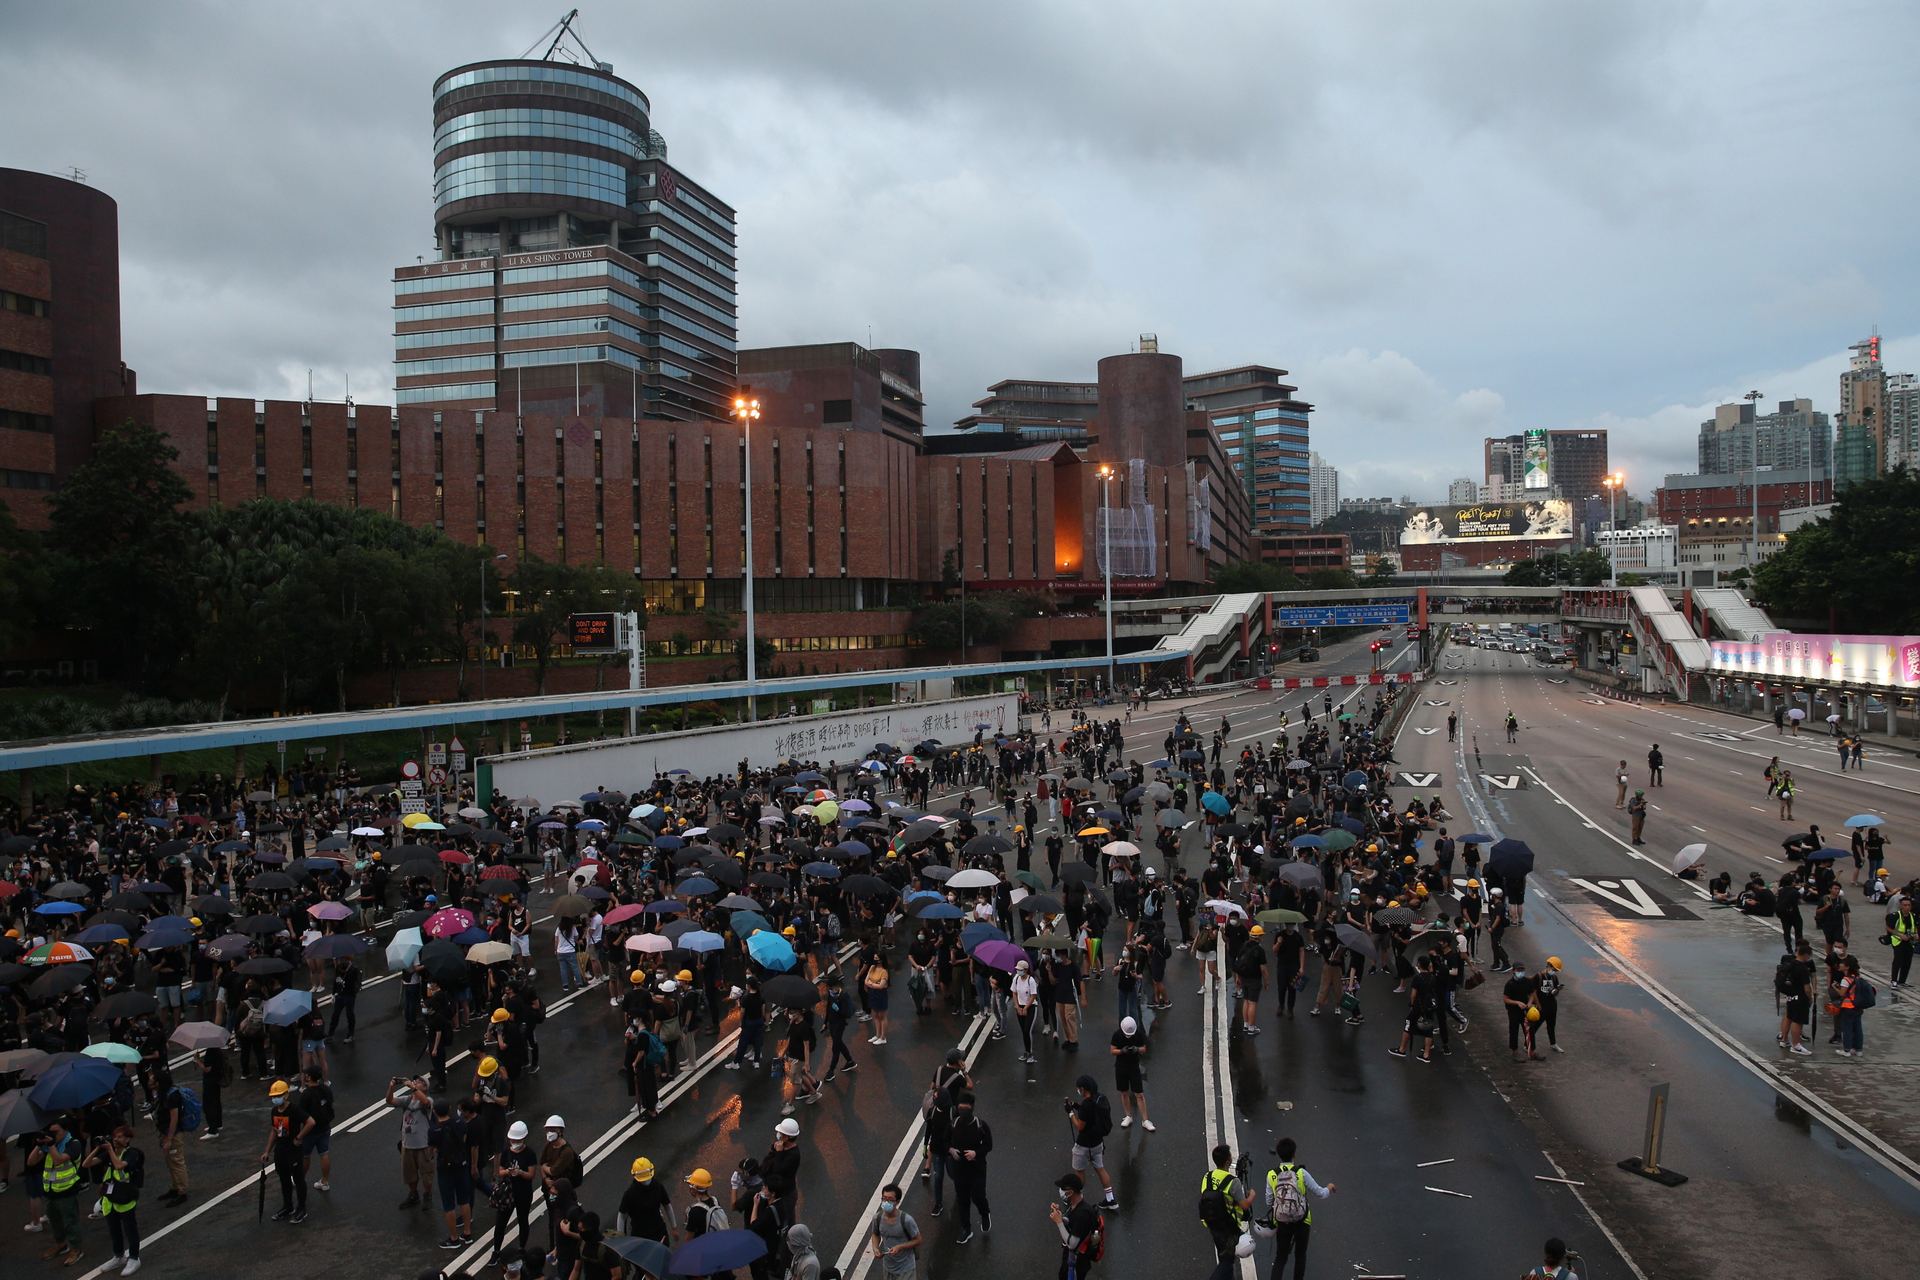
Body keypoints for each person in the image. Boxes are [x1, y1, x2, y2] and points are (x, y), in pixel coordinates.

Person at [1265, 1136, 1334, 1280]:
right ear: (1294, 1154)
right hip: (1302, 1221)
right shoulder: (1301, 1173)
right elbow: (1320, 1193)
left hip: (1282, 1221)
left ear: (1278, 1154)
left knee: (1281, 1257)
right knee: (1300, 1255)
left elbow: (1269, 1201)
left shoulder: (1272, 1174)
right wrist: (1329, 1187)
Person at [87, 1123, 144, 1276]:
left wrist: (111, 1150)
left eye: (120, 1137)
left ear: (128, 1139)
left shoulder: (132, 1153)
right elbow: (86, 1164)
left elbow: (119, 1166)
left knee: (130, 1229)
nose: (116, 1139)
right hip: (110, 1198)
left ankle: (134, 1258)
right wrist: (98, 1148)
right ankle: (118, 1256)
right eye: (115, 1137)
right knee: (114, 1230)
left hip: (126, 1197)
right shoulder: (109, 1152)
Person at [31, 1115, 86, 1266]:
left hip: (67, 1190)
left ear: (65, 1130)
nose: (53, 1135)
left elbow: (59, 1159)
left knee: (70, 1221)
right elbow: (31, 1161)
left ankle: (76, 1249)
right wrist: (38, 1144)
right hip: (51, 1191)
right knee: (55, 1221)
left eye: (56, 1132)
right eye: (51, 1132)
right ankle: (61, 1244)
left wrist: (51, 1145)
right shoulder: (50, 1145)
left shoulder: (73, 1144)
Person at [945, 1091, 993, 1243]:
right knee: (962, 1200)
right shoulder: (953, 1125)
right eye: (961, 1108)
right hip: (959, 1169)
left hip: (977, 1169)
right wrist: (951, 1150)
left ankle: (984, 1213)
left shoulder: (981, 1125)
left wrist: (975, 1153)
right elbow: (943, 1142)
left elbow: (988, 1145)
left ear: (972, 1108)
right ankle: (966, 1228)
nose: (963, 1111)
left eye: (966, 1108)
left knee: (978, 1196)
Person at [1199, 1143, 1252, 1280]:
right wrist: (1252, 1195)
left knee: (1225, 1256)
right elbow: (1244, 1205)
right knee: (1227, 1262)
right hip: (1228, 1226)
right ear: (1228, 1161)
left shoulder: (1207, 1176)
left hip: (1211, 1222)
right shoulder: (1233, 1182)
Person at [1066, 1075, 1119, 1209]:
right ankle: (1110, 1199)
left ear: (1083, 1089)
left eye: (1079, 1089)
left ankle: (1078, 1200)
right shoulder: (1100, 1098)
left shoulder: (1086, 1105)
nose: (1078, 1091)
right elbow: (1091, 1114)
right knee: (1100, 1169)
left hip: (1084, 1145)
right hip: (1098, 1143)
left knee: (1079, 1171)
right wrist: (1077, 1106)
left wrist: (1071, 1114)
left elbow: (1080, 1126)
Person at [260, 1078, 308, 1223]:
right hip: (280, 1151)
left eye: (278, 1096)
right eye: (273, 1097)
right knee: (284, 1179)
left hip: (293, 1151)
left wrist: (299, 1137)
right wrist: (267, 1151)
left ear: (286, 1095)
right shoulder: (275, 1111)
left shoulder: (294, 1110)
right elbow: (275, 1131)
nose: (275, 1099)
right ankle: (288, 1206)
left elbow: (310, 1122)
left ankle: (302, 1208)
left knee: (298, 1180)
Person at [386, 1074, 435, 1211]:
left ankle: (427, 1196)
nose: (415, 1082)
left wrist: (412, 1087)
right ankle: (413, 1195)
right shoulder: (407, 1100)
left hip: (423, 1145)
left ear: (424, 1087)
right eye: (416, 1081)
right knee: (410, 1173)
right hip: (407, 1144)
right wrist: (391, 1087)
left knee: (426, 1174)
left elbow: (425, 1102)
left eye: (419, 1082)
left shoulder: (428, 1100)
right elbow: (389, 1100)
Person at [491, 1121, 538, 1260]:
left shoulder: (530, 1154)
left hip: (523, 1193)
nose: (514, 1142)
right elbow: (499, 1171)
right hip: (508, 1193)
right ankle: (496, 1251)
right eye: (512, 1139)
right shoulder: (506, 1151)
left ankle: (522, 1248)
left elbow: (531, 1175)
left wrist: (520, 1173)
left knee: (523, 1220)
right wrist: (507, 1171)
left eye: (517, 1140)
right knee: (500, 1223)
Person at [1049, 1172, 1103, 1280]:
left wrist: (1059, 1222)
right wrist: (1061, 1217)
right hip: (1075, 1259)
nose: (1061, 1191)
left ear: (1070, 1192)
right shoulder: (1076, 1204)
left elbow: (1072, 1244)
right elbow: (1073, 1224)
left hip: (1076, 1262)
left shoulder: (1082, 1214)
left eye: (1063, 1189)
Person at [1109, 1015, 1154, 1130]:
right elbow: (1112, 1050)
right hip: (1121, 1067)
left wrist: (1137, 1049)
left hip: (1134, 1066)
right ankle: (1128, 1116)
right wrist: (1122, 1051)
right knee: (1124, 1092)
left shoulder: (1138, 1034)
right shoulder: (1117, 1035)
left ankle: (1145, 1120)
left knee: (1139, 1093)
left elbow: (1144, 1048)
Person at [869, 1183, 923, 1278]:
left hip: (906, 1268)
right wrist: (875, 1248)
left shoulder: (907, 1220)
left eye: (890, 1200)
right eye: (884, 1198)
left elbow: (918, 1240)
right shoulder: (877, 1218)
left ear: (897, 1202)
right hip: (888, 1267)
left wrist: (900, 1247)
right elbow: (875, 1234)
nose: (886, 1202)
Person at [153, 1067, 189, 1206]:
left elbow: (174, 1118)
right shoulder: (163, 1094)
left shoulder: (172, 1096)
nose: (150, 1080)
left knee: (177, 1161)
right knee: (170, 1161)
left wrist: (169, 1138)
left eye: (152, 1079)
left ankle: (182, 1191)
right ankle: (175, 1186)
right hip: (165, 1133)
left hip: (172, 1134)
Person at [296, 1065, 335, 1192]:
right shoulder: (326, 1089)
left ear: (308, 1077)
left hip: (310, 1131)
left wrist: (299, 1135)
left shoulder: (306, 1095)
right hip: (324, 1127)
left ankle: (300, 1179)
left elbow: (301, 1115)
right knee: (324, 1153)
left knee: (305, 1156)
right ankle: (325, 1181)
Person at [1776, 940, 1814, 1056]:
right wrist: (1810, 998)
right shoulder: (1802, 969)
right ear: (1806, 954)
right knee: (1798, 1021)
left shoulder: (1790, 964)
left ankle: (1784, 1040)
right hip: (1800, 997)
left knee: (1788, 1017)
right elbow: (1807, 987)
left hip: (1790, 996)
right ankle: (1796, 1045)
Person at [1503, 962, 1538, 1063]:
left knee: (1529, 1031)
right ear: (1513, 971)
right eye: (1518, 970)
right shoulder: (1509, 984)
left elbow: (1532, 994)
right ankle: (1515, 1053)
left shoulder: (1527, 981)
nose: (1521, 972)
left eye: (1522, 970)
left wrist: (1530, 1003)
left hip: (1525, 1011)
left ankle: (1532, 1052)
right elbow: (1506, 999)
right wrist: (1517, 1002)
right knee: (1514, 1031)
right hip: (1513, 1011)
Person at [1535, 956, 1565, 1053]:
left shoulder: (1554, 977)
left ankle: (1553, 1044)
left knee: (1551, 1026)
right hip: (1541, 1006)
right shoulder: (1538, 976)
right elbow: (1532, 992)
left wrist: (1557, 989)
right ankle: (1527, 1044)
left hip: (1552, 1006)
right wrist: (1536, 1004)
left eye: (1556, 970)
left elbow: (1554, 992)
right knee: (1535, 1026)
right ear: (1548, 966)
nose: (1554, 972)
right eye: (1554, 969)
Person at [1889, 895, 1916, 989]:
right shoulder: (1895, 915)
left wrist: (1916, 935)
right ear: (1900, 906)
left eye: (1908, 905)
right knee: (1898, 960)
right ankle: (1894, 981)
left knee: (1907, 961)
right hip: (1898, 941)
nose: (1907, 907)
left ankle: (1902, 981)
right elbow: (1889, 928)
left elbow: (1915, 928)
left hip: (1910, 942)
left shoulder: (1913, 916)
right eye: (1904, 905)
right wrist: (1900, 935)